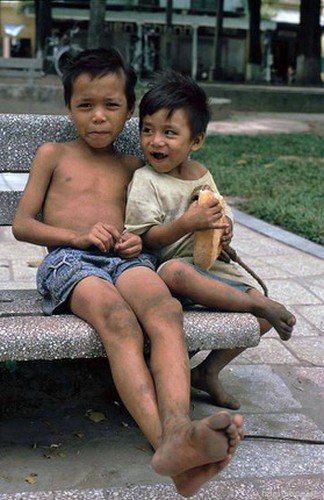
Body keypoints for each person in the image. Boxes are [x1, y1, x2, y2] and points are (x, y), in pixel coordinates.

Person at [12, 48, 244, 498]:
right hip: (70, 261)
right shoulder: (53, 154)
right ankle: (167, 444)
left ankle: (178, 428)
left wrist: (143, 238)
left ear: (130, 112)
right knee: (120, 322)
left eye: (111, 106)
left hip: (127, 259)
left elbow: (158, 220)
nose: (98, 117)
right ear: (69, 108)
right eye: (85, 105)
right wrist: (77, 236)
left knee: (165, 311)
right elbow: (24, 225)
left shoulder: (134, 165)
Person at [125, 70, 296, 410]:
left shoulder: (202, 174)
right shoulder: (145, 180)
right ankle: (254, 303)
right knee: (173, 271)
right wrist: (186, 223)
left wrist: (225, 227)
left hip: (212, 271)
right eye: (148, 130)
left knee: (263, 319)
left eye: (169, 133)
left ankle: (207, 371)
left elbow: (218, 212)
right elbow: (146, 239)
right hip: (176, 276)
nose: (156, 141)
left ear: (196, 140)